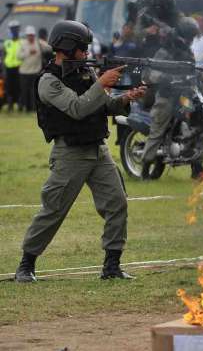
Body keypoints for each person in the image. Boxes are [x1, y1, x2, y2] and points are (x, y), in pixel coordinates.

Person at [13, 20, 147, 283]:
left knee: (116, 203)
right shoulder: (48, 81)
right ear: (68, 46)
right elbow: (77, 108)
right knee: (54, 209)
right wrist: (103, 84)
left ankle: (111, 266)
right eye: (82, 47)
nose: (86, 52)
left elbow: (104, 105)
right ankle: (26, 265)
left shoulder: (85, 72)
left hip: (98, 149)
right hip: (70, 153)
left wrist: (125, 99)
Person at [141, 17, 203, 180]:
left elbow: (192, 70)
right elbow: (149, 73)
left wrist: (202, 77)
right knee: (157, 130)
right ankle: (145, 169)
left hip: (185, 96)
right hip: (167, 95)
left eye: (192, 37)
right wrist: (165, 77)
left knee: (197, 127)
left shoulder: (187, 51)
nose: (190, 41)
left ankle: (197, 167)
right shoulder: (166, 50)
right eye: (189, 37)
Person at [18, 26, 52, 112]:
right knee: (24, 91)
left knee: (34, 91)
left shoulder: (38, 42)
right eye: (29, 35)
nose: (31, 37)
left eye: (32, 35)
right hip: (24, 72)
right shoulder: (22, 44)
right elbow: (18, 56)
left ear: (34, 35)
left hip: (35, 71)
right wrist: (28, 52)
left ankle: (34, 108)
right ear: (27, 35)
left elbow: (49, 47)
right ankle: (26, 108)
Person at [3, 20, 22, 112]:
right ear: (10, 30)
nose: (14, 30)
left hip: (19, 67)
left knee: (18, 87)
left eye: (16, 29)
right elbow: (3, 55)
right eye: (12, 29)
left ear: (18, 30)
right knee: (9, 87)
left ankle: (19, 105)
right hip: (8, 68)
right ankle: (10, 106)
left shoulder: (22, 42)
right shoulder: (7, 43)